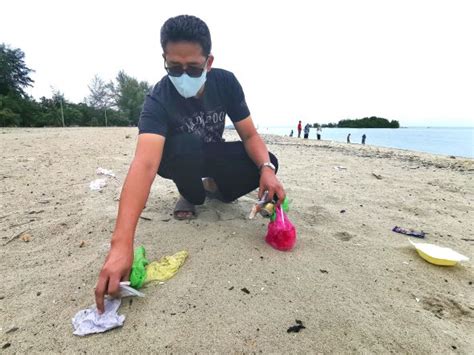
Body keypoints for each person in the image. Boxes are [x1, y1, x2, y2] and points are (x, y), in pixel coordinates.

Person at [95, 15, 286, 313]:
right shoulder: (158, 99)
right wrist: (121, 245)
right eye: (174, 67)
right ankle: (192, 194)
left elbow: (249, 135)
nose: (184, 74)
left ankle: (214, 187)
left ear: (208, 62)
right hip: (179, 158)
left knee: (266, 161)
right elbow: (145, 163)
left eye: (193, 68)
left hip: (213, 153)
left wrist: (267, 170)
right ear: (164, 61)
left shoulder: (225, 82)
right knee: (186, 145)